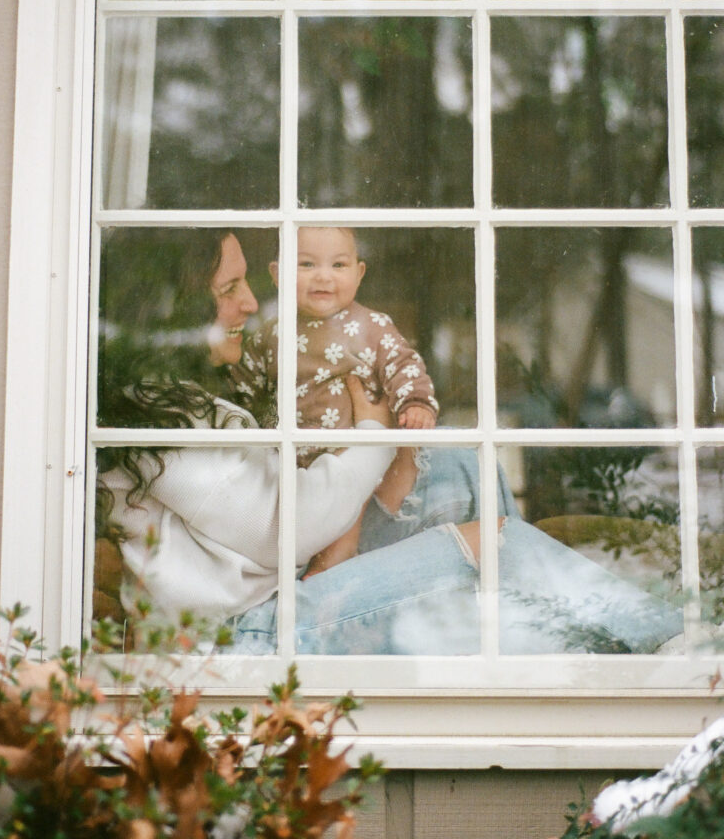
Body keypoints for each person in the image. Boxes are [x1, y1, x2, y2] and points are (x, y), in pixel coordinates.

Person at [97, 229, 683, 656]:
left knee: (454, 463)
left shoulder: (176, 400)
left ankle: (530, 641)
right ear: (171, 304)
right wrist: (373, 430)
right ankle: (672, 645)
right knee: (501, 548)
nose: (250, 303)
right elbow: (288, 526)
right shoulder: (157, 419)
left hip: (269, 600)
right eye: (229, 287)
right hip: (241, 639)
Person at [230, 225, 439, 573]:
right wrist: (239, 429)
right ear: (278, 274)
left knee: (342, 519)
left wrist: (414, 402)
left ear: (359, 274)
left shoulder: (371, 326)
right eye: (307, 264)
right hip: (288, 460)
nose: (323, 277)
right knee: (291, 525)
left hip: (348, 453)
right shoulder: (270, 333)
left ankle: (331, 566)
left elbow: (403, 364)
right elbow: (245, 388)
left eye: (338, 266)